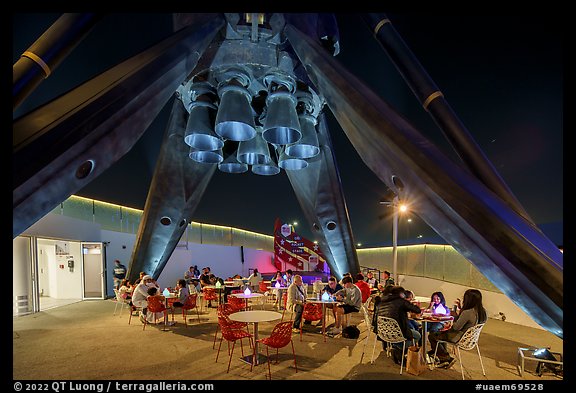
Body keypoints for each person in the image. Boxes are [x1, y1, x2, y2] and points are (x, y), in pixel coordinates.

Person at [428, 289, 487, 369]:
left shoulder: (468, 312)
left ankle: (446, 358)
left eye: (465, 298)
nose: (463, 300)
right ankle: (439, 353)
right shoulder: (483, 312)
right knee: (440, 334)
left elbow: (456, 327)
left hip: (458, 337)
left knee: (432, 335)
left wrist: (450, 324)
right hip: (471, 339)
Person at [372, 285, 422, 363]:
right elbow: (417, 310)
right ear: (401, 294)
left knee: (411, 328)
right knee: (417, 335)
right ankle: (398, 349)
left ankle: (396, 349)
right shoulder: (401, 301)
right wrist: (415, 305)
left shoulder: (382, 301)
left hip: (383, 333)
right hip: (398, 332)